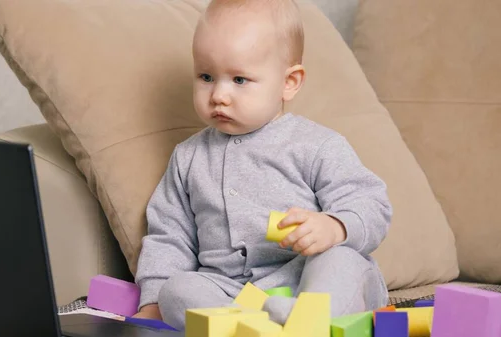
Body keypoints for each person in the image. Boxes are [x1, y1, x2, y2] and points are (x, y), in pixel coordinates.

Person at [133, 0, 392, 330]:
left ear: (289, 82)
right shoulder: (188, 157)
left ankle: (307, 317)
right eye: (206, 76)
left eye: (239, 80)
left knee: (341, 263)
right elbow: (169, 235)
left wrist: (334, 227)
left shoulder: (316, 145)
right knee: (178, 291)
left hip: (305, 276)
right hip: (234, 292)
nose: (219, 95)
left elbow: (371, 204)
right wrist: (154, 300)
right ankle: (275, 322)